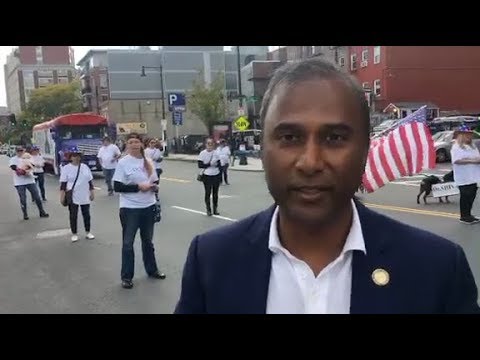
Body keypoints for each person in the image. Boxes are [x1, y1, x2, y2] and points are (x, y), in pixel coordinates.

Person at [174, 58, 480, 314]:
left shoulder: (437, 269)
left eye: (335, 138)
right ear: (263, 148)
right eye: (290, 138)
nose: (310, 162)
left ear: (365, 148)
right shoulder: (212, 260)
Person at [113, 132, 166, 289]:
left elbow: (154, 180)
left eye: (137, 142)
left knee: (148, 242)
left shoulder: (147, 161)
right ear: (127, 145)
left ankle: (152, 270)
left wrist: (154, 187)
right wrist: (138, 187)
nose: (134, 144)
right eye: (131, 142)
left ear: (141, 144)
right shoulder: (123, 163)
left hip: (148, 206)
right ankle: (127, 277)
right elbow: (117, 187)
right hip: (130, 209)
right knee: (128, 243)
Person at [60, 147, 96, 242]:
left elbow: (89, 181)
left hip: (84, 194)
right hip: (73, 194)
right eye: (74, 156)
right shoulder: (66, 168)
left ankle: (88, 232)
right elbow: (63, 184)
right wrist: (62, 196)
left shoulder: (85, 167)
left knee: (86, 214)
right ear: (70, 157)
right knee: (73, 215)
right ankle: (74, 233)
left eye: (77, 156)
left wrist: (92, 192)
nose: (76, 158)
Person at [9, 146, 49, 221]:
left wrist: (27, 170)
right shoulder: (13, 159)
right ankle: (25, 214)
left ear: (23, 151)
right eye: (18, 151)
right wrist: (21, 171)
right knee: (23, 199)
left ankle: (42, 212)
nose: (20, 152)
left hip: (30, 180)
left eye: (21, 150)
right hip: (19, 182)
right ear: (16, 151)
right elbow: (13, 167)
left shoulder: (29, 157)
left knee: (37, 197)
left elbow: (33, 165)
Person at [451, 125, 480, 224]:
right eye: (467, 135)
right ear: (462, 135)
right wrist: (473, 161)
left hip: (474, 176)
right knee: (465, 196)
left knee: (472, 195)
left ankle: (469, 214)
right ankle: (464, 216)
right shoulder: (456, 147)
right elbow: (457, 160)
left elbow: (477, 157)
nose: (469, 137)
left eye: (470, 135)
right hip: (463, 176)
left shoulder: (472, 146)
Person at [198, 138, 221, 216]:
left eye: (211, 144)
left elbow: (219, 164)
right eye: (208, 144)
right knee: (208, 192)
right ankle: (208, 209)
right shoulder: (202, 153)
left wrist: (217, 165)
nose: (210, 145)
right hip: (207, 175)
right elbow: (200, 165)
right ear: (206, 144)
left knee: (215, 193)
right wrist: (209, 164)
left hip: (216, 174)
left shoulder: (216, 153)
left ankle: (215, 209)